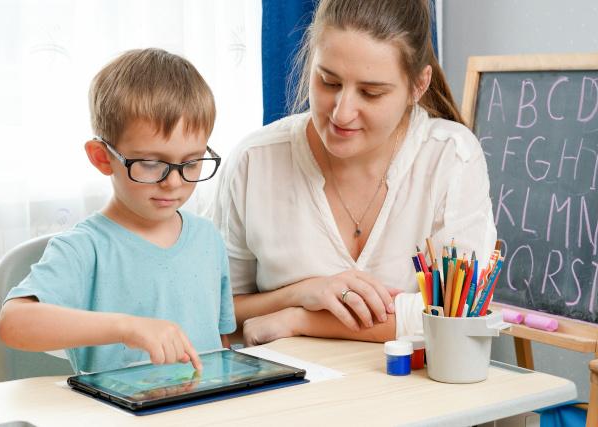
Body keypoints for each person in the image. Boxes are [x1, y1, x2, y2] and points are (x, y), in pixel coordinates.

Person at [210, 0, 496, 345]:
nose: (342, 113)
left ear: (418, 86)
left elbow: (460, 314)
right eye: (328, 82)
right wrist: (302, 292)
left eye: (370, 93)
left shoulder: (451, 156)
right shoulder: (253, 161)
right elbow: (217, 312)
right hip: (291, 381)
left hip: (411, 381)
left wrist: (300, 320)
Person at [0, 48, 236, 374]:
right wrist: (126, 327)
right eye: (150, 163)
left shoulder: (208, 238)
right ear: (102, 157)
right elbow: (13, 322)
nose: (174, 182)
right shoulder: (84, 248)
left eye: (192, 162)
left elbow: (222, 348)